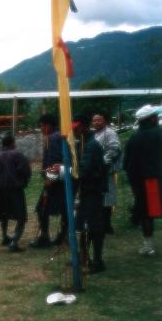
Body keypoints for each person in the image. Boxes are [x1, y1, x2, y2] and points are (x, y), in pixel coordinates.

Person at [70, 115, 108, 273]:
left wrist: (65, 171)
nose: (74, 130)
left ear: (84, 127)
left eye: (77, 127)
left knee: (94, 227)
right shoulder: (82, 144)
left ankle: (97, 261)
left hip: (92, 190)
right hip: (85, 191)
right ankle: (84, 257)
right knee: (81, 226)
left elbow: (84, 170)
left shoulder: (92, 145)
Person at [124, 104, 162, 256]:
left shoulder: (133, 139)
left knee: (146, 214)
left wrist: (133, 183)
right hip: (158, 178)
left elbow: (128, 164)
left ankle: (148, 246)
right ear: (151, 119)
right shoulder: (159, 134)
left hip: (143, 182)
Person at [0, 134, 32, 252]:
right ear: (12, 143)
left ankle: (5, 236)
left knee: (3, 214)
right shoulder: (17, 155)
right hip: (14, 190)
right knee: (21, 217)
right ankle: (14, 242)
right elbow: (26, 171)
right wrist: (23, 182)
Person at [30, 114, 68, 248]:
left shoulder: (52, 138)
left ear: (48, 125)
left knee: (42, 208)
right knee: (64, 208)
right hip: (63, 179)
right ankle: (63, 236)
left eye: (41, 126)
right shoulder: (58, 136)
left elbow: (55, 160)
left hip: (55, 180)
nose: (40, 129)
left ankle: (45, 238)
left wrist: (50, 178)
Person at [92, 112, 122, 234]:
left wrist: (103, 162)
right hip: (96, 173)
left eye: (99, 120)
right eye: (94, 120)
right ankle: (101, 224)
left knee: (107, 199)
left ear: (105, 121)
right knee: (99, 199)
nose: (96, 122)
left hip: (106, 171)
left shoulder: (110, 133)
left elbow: (115, 148)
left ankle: (107, 225)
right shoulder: (94, 133)